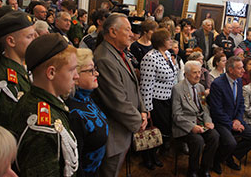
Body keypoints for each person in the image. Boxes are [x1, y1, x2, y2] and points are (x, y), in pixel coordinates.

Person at [11, 33, 79, 176]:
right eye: (72, 70)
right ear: (51, 73)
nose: (77, 76)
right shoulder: (42, 128)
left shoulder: (41, 101)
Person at [93, 13, 147, 177]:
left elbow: (135, 85)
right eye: (128, 30)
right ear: (113, 32)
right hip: (114, 133)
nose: (132, 34)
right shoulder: (104, 58)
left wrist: (143, 110)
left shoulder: (120, 53)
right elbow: (116, 101)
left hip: (124, 128)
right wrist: (138, 121)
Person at [209, 56, 251, 174]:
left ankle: (229, 155)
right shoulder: (217, 84)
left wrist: (237, 120)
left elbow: (241, 103)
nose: (243, 70)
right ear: (231, 70)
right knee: (230, 142)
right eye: (240, 68)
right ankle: (216, 160)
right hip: (221, 121)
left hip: (235, 119)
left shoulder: (238, 81)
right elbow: (216, 110)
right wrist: (231, 124)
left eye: (243, 67)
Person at [172, 61, 219, 177]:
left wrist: (208, 121)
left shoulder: (201, 87)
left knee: (215, 136)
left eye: (199, 72)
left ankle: (205, 168)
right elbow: (176, 115)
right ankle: (192, 170)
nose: (198, 75)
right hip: (184, 125)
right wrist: (192, 127)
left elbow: (205, 108)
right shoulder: (177, 89)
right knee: (198, 141)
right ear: (186, 74)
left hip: (201, 122)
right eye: (194, 73)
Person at [0, 11, 35, 128]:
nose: (35, 40)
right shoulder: (5, 82)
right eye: (29, 36)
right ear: (11, 41)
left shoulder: (20, 68)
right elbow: (1, 130)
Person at [66, 48, 108, 176]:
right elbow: (75, 163)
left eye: (95, 69)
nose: (96, 74)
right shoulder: (73, 113)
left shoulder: (87, 97)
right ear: (76, 76)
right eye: (91, 70)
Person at [139, 28, 177, 169]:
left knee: (161, 130)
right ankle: (147, 158)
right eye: (168, 39)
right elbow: (146, 86)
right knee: (151, 129)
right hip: (155, 100)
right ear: (161, 41)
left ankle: (154, 154)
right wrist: (147, 108)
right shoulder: (150, 57)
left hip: (167, 98)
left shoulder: (167, 54)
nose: (171, 41)